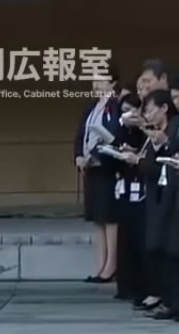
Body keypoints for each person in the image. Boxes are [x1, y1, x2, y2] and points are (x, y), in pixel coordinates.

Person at [128, 90, 179, 320]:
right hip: (160, 192)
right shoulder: (159, 132)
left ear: (164, 108)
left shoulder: (174, 128)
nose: (147, 114)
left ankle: (172, 302)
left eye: (150, 109)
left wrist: (164, 145)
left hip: (171, 194)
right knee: (162, 250)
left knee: (170, 250)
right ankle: (169, 301)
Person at [75, 70, 122, 283]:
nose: (96, 83)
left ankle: (111, 265)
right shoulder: (92, 107)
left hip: (107, 168)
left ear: (113, 83)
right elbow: (80, 134)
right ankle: (101, 263)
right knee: (97, 217)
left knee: (109, 216)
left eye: (101, 79)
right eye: (94, 79)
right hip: (90, 169)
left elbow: (113, 136)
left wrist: (93, 156)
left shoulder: (116, 106)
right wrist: (78, 156)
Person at [111, 91, 151, 308]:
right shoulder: (122, 129)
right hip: (125, 186)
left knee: (140, 237)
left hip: (143, 187)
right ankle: (126, 285)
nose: (129, 115)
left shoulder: (149, 127)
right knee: (125, 236)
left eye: (132, 110)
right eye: (124, 110)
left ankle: (142, 288)